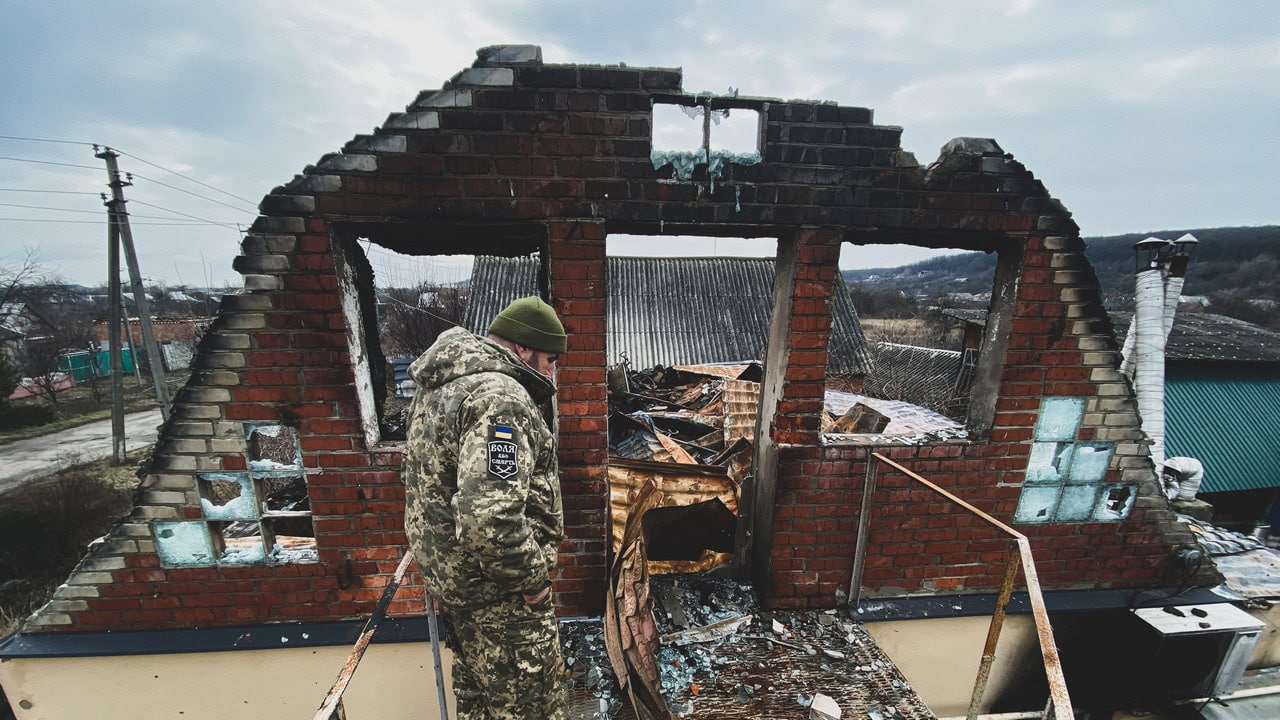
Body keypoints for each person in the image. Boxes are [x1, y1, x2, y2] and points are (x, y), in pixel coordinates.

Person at [402, 296, 568, 720]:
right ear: (521, 349)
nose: (552, 372)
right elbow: (489, 515)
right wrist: (533, 582)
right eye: (550, 360)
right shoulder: (501, 399)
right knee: (532, 709)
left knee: (479, 707)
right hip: (502, 600)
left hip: (460, 591)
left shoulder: (441, 387)